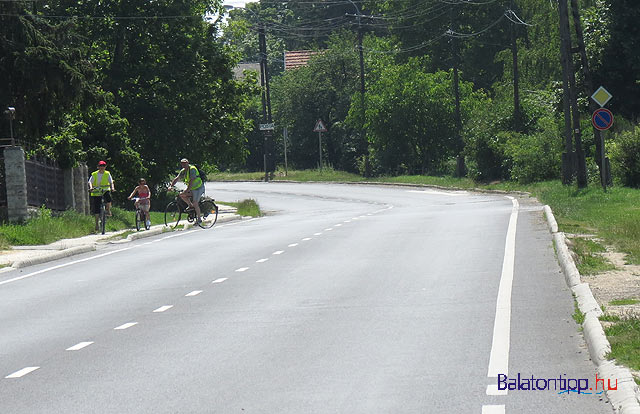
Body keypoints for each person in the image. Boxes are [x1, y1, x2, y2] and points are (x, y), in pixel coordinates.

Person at [88, 160, 115, 231]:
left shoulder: (107, 173)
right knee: (97, 207)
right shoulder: (94, 174)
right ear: (98, 167)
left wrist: (112, 188)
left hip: (105, 189)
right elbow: (90, 182)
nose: (102, 167)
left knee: (109, 198)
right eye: (100, 166)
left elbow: (111, 181)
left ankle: (108, 209)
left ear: (105, 167)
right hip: (96, 190)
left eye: (103, 166)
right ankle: (97, 223)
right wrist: (91, 188)